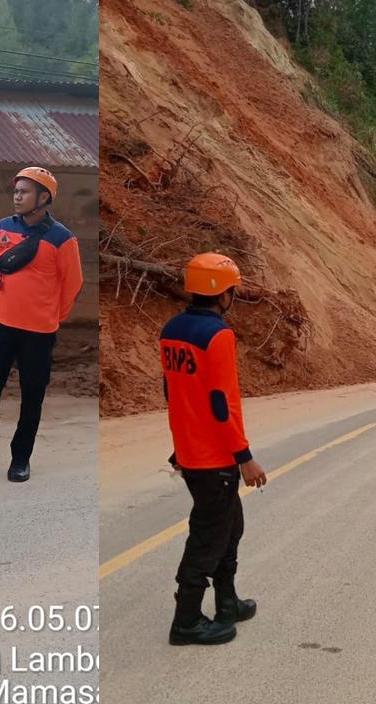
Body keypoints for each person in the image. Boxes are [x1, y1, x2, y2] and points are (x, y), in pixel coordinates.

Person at [0, 167, 83, 483]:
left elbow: (73, 284)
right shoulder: (2, 228)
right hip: (2, 327)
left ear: (43, 197)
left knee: (31, 396)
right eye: (16, 191)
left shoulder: (62, 239)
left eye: (24, 192)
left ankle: (20, 459)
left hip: (39, 333)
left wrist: (53, 317)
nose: (17, 197)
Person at [160, 253, 268, 646]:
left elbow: (173, 392)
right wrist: (245, 457)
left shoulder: (171, 329)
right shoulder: (218, 335)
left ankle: (227, 603)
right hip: (214, 457)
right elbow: (222, 404)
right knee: (208, 537)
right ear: (222, 293)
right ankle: (186, 621)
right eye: (232, 289)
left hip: (191, 453)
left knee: (230, 527)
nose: (233, 295)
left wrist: (181, 444)